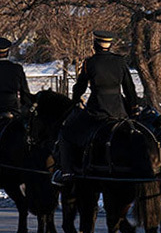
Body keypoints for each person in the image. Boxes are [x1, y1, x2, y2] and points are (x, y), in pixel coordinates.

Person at [56, 31, 139, 182]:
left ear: (95, 45)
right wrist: (133, 110)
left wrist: (74, 101)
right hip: (119, 111)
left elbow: (80, 87)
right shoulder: (120, 62)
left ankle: (67, 172)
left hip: (97, 111)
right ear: (110, 45)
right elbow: (129, 89)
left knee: (66, 132)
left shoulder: (90, 63)